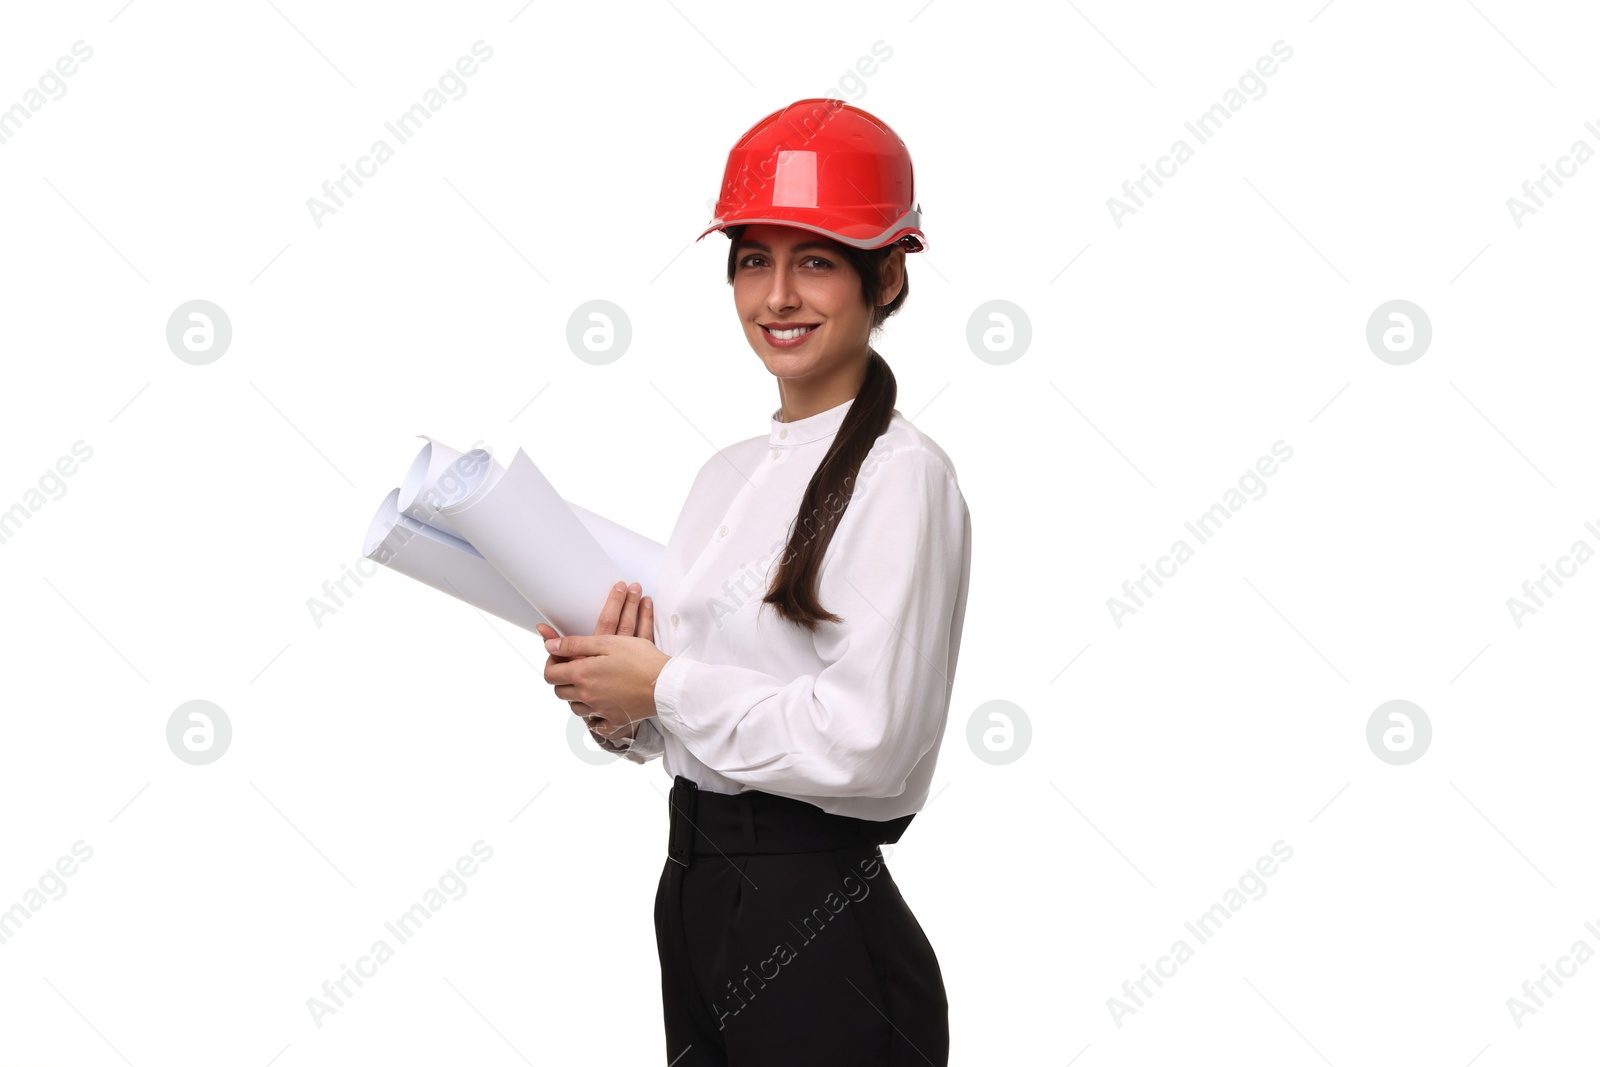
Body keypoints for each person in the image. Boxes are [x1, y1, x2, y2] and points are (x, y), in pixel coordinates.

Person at [535, 98, 972, 1067]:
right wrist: (618, 705)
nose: (777, 294)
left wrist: (663, 684)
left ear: (887, 273)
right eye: (751, 259)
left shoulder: (902, 476)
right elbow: (695, 719)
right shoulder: (725, 473)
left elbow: (866, 743)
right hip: (692, 892)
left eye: (814, 258)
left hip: (816, 923)